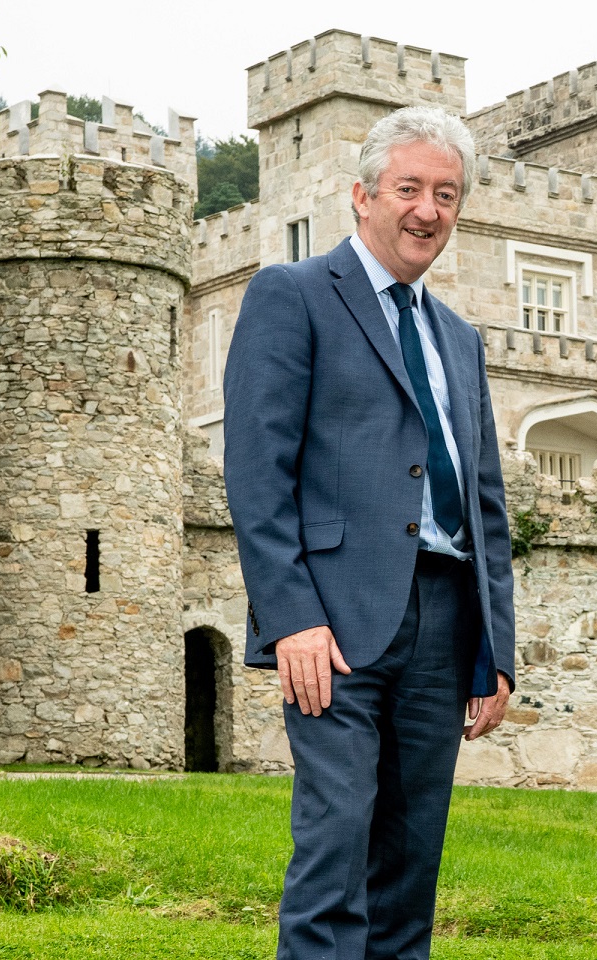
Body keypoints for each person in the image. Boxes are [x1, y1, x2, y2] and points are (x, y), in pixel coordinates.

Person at [223, 105, 515, 960]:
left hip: (444, 618)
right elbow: (257, 472)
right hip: (334, 624)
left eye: (447, 195)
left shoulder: (460, 339)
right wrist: (290, 618)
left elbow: (484, 500)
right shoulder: (294, 295)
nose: (428, 211)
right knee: (335, 850)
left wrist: (496, 647)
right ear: (362, 195)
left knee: (409, 869)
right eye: (410, 189)